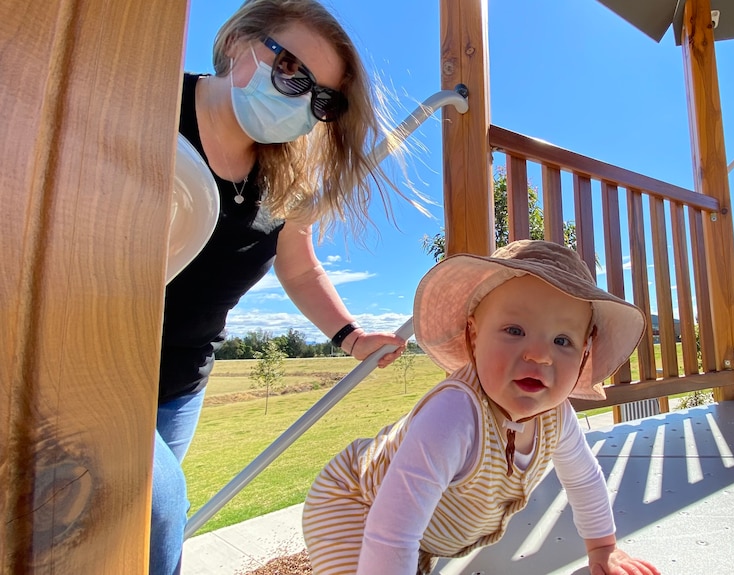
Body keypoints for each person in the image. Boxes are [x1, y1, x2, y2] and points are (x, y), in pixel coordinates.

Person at [152, 1, 409, 573]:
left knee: (127, 526)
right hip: (86, 355)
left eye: (321, 98)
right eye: (290, 66)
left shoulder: (286, 178)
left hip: (178, 382)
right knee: (158, 510)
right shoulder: (148, 101)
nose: (299, 97)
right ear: (241, 40)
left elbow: (299, 268)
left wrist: (349, 336)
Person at [302, 240, 661, 575]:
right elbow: (392, 530)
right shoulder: (455, 413)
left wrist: (604, 549)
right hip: (354, 506)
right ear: (475, 335)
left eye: (562, 340)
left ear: (584, 355)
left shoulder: (557, 416)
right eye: (515, 330)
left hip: (423, 533)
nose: (538, 354)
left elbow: (583, 478)